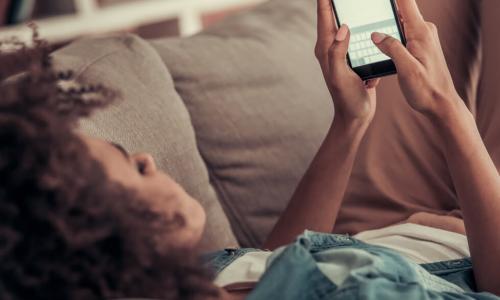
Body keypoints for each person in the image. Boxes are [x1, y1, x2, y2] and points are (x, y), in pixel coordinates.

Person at [0, 0, 499, 299]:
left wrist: (350, 122)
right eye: (130, 166)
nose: (147, 158)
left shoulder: (186, 280)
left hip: (399, 223)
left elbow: (271, 260)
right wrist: (446, 109)